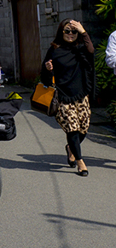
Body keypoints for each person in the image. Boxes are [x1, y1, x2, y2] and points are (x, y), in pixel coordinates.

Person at [40, 18, 94, 176]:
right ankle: (80, 161)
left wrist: (83, 31)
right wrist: (48, 69)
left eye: (74, 32)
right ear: (61, 32)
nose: (71, 34)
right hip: (63, 96)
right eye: (67, 31)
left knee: (83, 129)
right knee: (73, 129)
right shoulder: (54, 49)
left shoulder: (80, 48)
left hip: (81, 95)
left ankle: (71, 148)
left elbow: (91, 50)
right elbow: (44, 79)